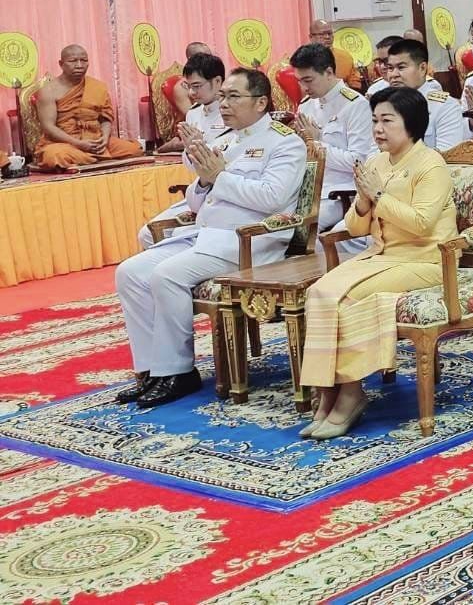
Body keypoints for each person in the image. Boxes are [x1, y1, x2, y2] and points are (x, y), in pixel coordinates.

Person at [114, 69, 306, 408]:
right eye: (223, 97)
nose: (225, 104)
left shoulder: (285, 142)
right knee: (129, 272)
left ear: (260, 102)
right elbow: (198, 199)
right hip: (206, 235)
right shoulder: (228, 140)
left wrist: (220, 176)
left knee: (167, 275)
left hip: (247, 242)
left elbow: (273, 198)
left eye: (234, 97)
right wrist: (204, 182)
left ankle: (178, 372)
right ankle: (149, 372)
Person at [295, 87, 455, 438]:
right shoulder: (375, 163)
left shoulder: (432, 164)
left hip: (425, 258)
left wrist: (378, 195)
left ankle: (351, 391)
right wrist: (364, 202)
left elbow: (421, 223)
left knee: (350, 295)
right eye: (374, 121)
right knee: (320, 291)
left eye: (387, 121)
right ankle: (328, 391)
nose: (378, 129)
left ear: (410, 124)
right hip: (381, 256)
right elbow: (356, 226)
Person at [137, 52, 228, 242]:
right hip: (200, 191)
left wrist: (200, 147)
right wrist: (191, 149)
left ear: (218, 81)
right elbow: (189, 165)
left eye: (197, 86)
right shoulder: (193, 114)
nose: (192, 93)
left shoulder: (232, 112)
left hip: (225, 189)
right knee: (147, 234)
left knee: (187, 238)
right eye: (189, 86)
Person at [290, 41, 375, 232]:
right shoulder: (306, 105)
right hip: (307, 192)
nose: (303, 87)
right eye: (299, 81)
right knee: (270, 225)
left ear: (329, 72)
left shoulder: (355, 105)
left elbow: (359, 161)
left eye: (308, 80)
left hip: (340, 194)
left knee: (297, 231)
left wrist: (316, 143)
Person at [33, 46, 144, 169]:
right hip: (64, 143)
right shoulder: (48, 91)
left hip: (95, 140)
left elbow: (105, 118)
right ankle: (93, 158)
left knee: (135, 149)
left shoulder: (97, 87)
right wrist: (78, 143)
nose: (79, 65)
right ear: (61, 64)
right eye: (73, 61)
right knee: (54, 156)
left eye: (84, 60)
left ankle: (88, 158)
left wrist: (105, 138)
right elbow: (48, 127)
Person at [382, 39, 468, 150]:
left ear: (422, 68)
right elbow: (372, 152)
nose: (393, 74)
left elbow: (446, 154)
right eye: (390, 68)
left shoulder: (445, 106)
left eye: (401, 67)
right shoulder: (382, 105)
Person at [308, 18, 363, 90]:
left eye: (329, 33)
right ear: (311, 37)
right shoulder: (304, 59)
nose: (327, 37)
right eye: (322, 34)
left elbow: (355, 84)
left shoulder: (345, 57)